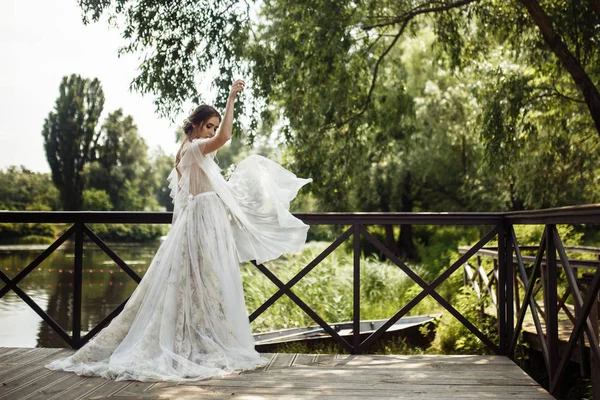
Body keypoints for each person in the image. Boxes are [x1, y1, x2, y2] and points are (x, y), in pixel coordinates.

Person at [45, 79, 312, 382]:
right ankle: (186, 343)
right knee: (200, 282)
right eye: (208, 126)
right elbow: (226, 136)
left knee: (200, 285)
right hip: (201, 224)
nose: (212, 132)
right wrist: (231, 98)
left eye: (213, 127)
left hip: (201, 223)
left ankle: (196, 338)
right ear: (196, 126)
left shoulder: (188, 151)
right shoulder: (195, 148)